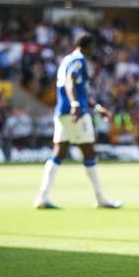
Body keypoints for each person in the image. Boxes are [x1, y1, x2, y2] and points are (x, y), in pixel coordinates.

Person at [35, 33, 123, 209]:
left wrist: (96, 107)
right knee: (89, 154)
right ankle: (101, 199)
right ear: (86, 46)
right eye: (93, 47)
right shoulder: (79, 61)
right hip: (76, 114)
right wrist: (75, 104)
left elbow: (79, 89)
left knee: (58, 153)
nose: (94, 50)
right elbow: (70, 82)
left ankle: (42, 198)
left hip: (62, 112)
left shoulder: (66, 60)